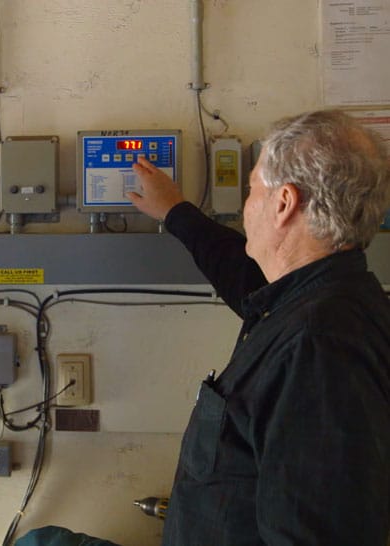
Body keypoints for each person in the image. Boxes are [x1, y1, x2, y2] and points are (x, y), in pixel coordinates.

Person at [127, 109, 390, 545]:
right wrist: (175, 211)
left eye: (252, 191)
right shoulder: (310, 302)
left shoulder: (319, 346)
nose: (247, 208)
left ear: (283, 203)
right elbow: (242, 275)